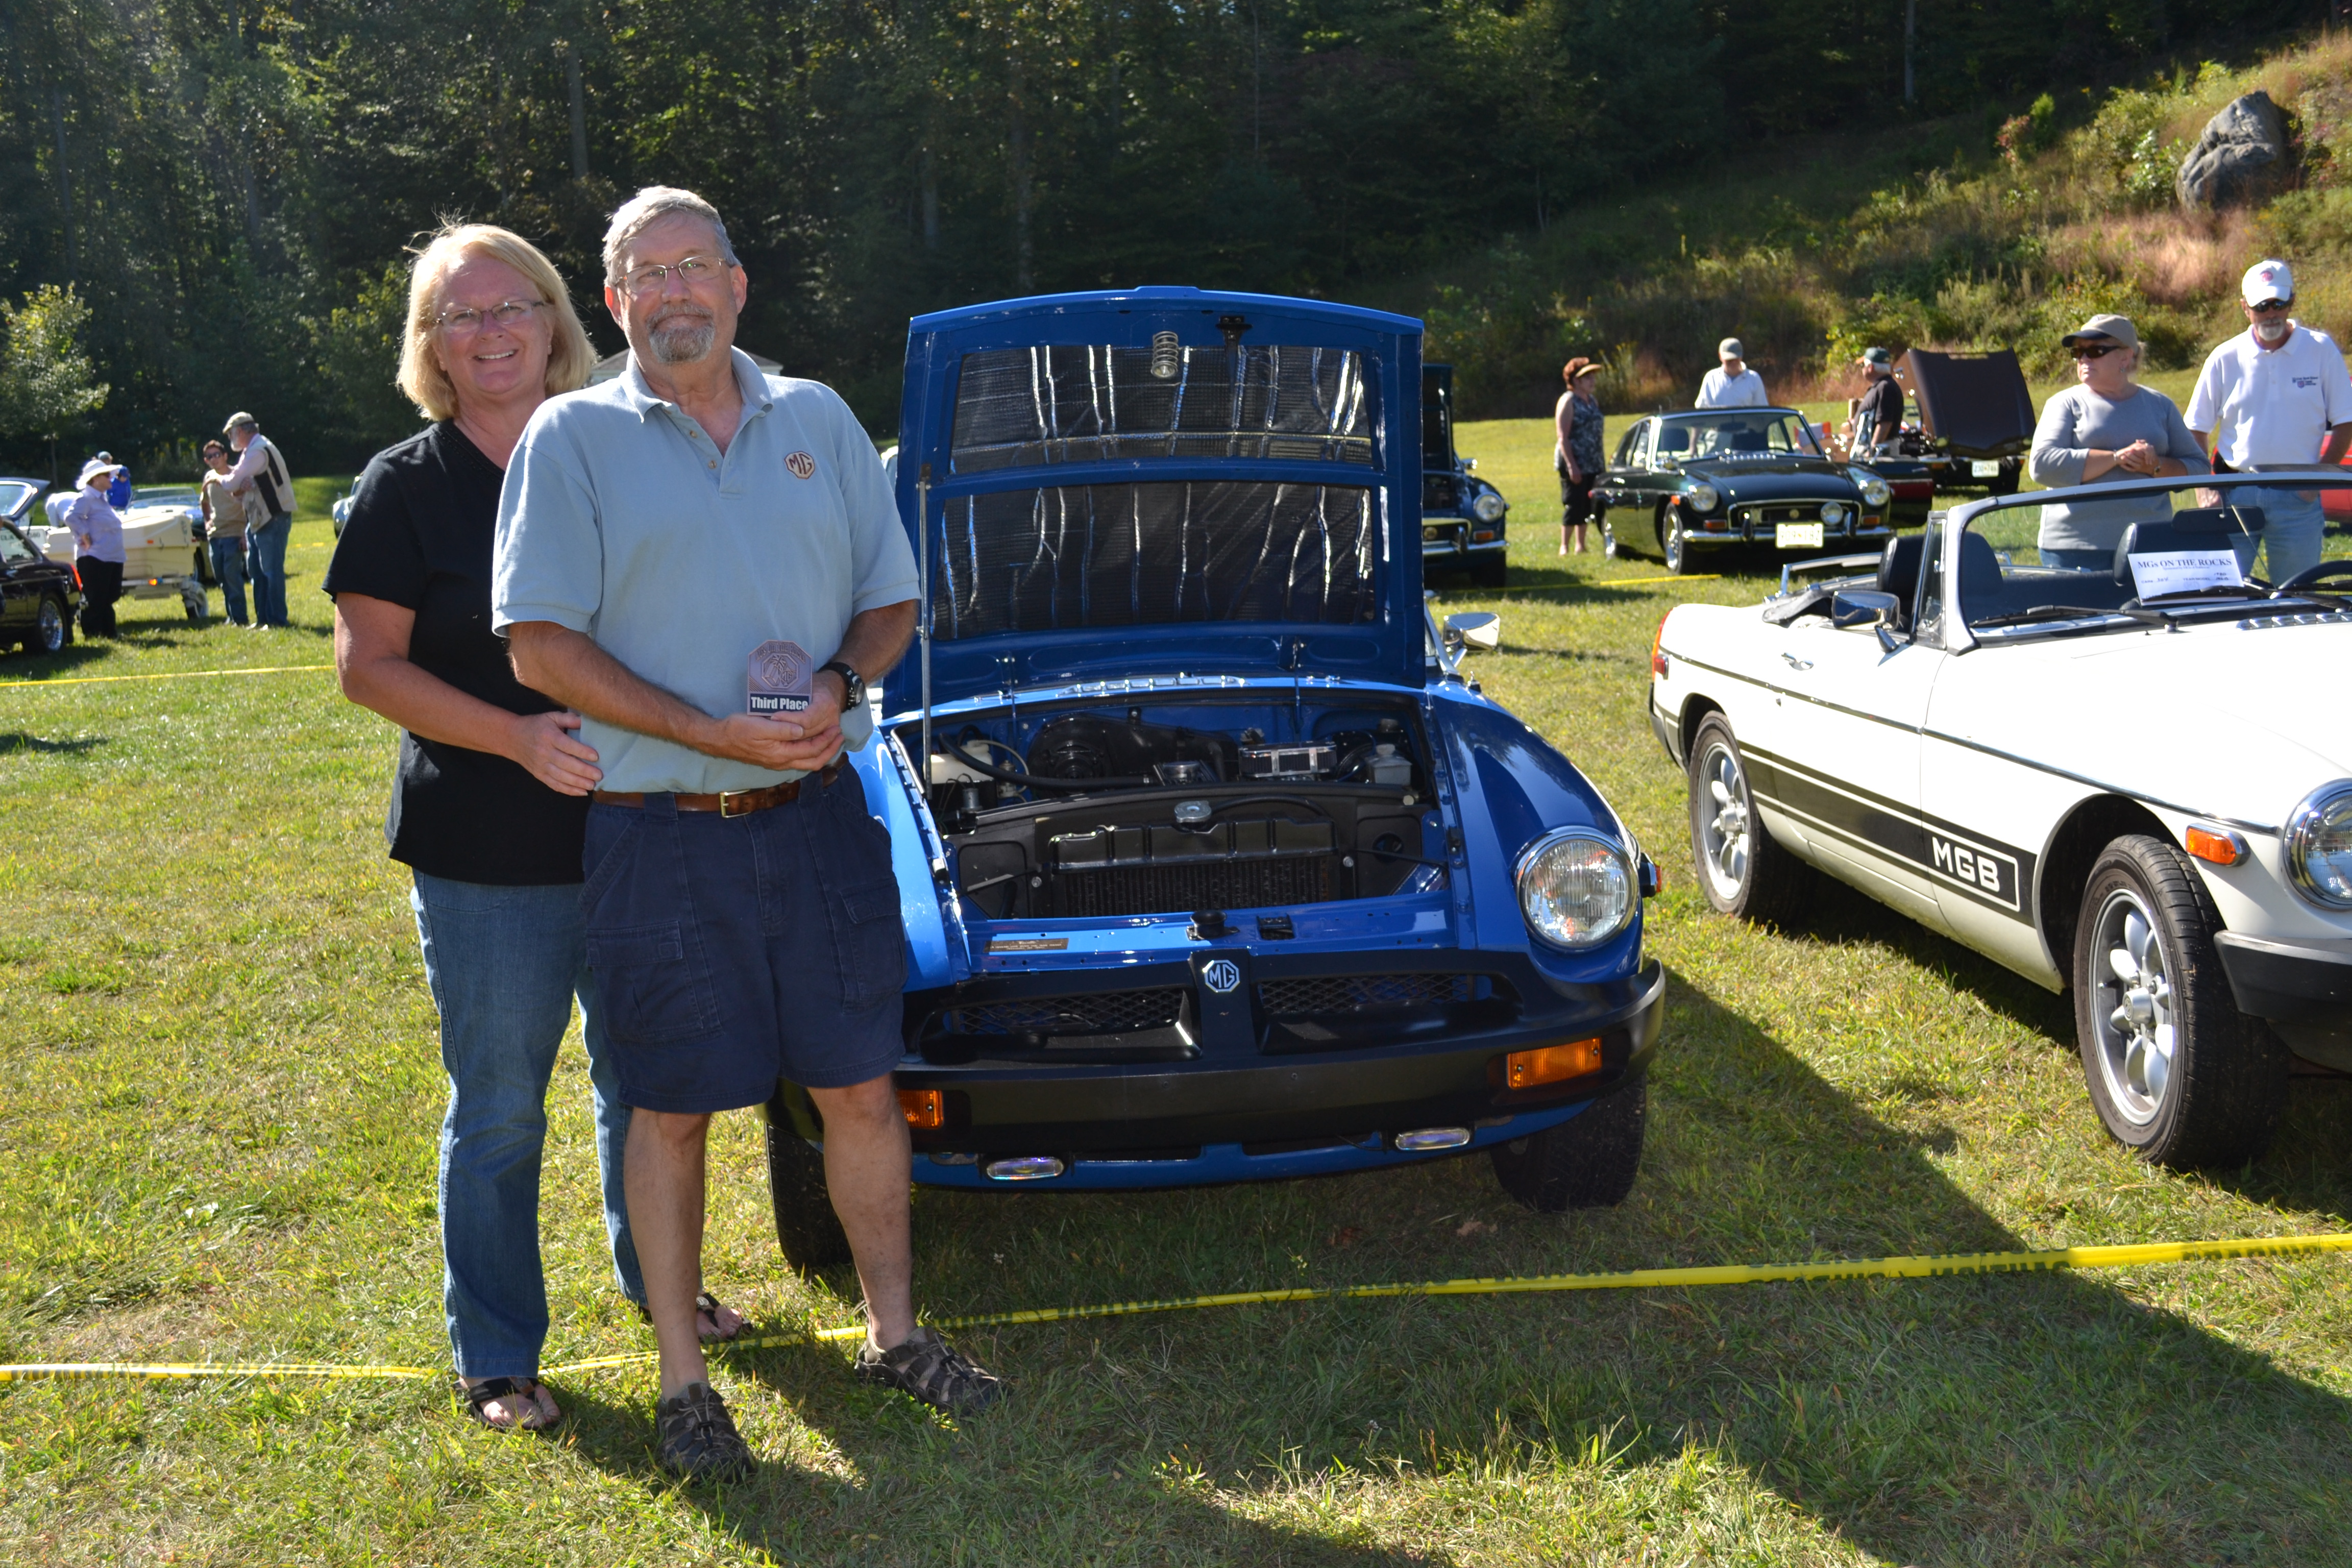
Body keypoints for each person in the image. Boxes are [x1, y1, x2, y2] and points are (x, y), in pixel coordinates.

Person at [496, 185, 997, 1482]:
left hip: (820, 818)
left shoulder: (818, 419)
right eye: (646, 274)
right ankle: (684, 1383)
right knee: (668, 1107)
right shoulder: (570, 437)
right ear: (616, 303)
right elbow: (539, 645)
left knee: (860, 1084)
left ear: (736, 284)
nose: (674, 293)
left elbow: (891, 602)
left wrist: (838, 680)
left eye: (694, 266)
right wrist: (708, 733)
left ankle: (894, 1335)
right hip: (659, 830)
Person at [323, 222, 742, 1437]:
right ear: (432, 346)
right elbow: (365, 666)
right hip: (486, 855)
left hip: (637, 830)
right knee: (502, 1106)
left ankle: (660, 1284)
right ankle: (498, 1351)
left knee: (646, 1085)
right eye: (461, 315)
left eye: (513, 305)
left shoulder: (615, 447)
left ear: (558, 320)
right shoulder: (407, 484)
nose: (492, 331)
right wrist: (514, 738)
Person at [2185, 258, 2352, 585]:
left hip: (2298, 497)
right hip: (2234, 494)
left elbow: (2346, 422)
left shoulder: (2321, 350)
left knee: (2297, 597)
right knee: (2223, 595)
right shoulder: (2224, 357)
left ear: (2292, 301)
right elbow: (2195, 429)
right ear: (2245, 308)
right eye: (2261, 306)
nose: (2271, 313)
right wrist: (2205, 488)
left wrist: (2316, 482)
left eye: (2278, 303)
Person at [2028, 313, 2208, 572]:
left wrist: (2154, 467)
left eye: (2096, 351)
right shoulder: (2064, 403)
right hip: (2075, 548)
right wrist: (2116, 458)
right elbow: (2042, 466)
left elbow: (2199, 468)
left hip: (2149, 542)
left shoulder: (2160, 405)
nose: (2084, 359)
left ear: (2126, 357)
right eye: (2078, 352)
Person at [221, 411, 296, 627]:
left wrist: (217, 477)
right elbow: (239, 487)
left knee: (271, 572)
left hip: (273, 518)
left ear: (241, 431)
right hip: (259, 519)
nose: (231, 439)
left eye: (231, 434)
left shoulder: (257, 451)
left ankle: (277, 620)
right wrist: (239, 485)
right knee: (256, 571)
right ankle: (264, 619)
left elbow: (231, 483)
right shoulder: (252, 450)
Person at [63, 456, 126, 637]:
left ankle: (107, 631)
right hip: (95, 557)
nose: (111, 478)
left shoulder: (101, 499)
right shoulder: (86, 498)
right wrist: (84, 534)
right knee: (96, 597)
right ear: (95, 479)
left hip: (111, 556)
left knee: (110, 595)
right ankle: (94, 632)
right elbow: (71, 517)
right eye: (107, 475)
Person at [200, 440, 256, 627]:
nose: (214, 459)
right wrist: (207, 521)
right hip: (215, 535)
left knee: (232, 576)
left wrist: (244, 534)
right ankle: (231, 616)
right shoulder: (209, 477)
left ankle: (240, 618)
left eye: (217, 455)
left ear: (225, 456)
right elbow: (204, 502)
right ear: (206, 460)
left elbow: (248, 505)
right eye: (209, 457)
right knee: (221, 577)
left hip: (234, 533)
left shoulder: (236, 476)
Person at [1554, 358, 1605, 554]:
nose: (1593, 381)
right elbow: (1563, 437)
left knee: (1587, 505)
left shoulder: (1592, 401)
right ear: (1576, 380)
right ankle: (1564, 546)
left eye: (1593, 377)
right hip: (1575, 461)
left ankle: (1581, 545)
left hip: (1593, 461)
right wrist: (1572, 466)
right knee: (1574, 503)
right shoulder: (1568, 401)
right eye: (1587, 378)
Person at [1849, 347, 1906, 454]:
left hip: (1881, 451)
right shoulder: (1882, 386)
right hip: (1876, 448)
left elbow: (1885, 423)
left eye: (1863, 365)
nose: (1862, 369)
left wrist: (1872, 451)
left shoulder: (1885, 387)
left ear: (1871, 367)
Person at [1695, 337, 1767, 408]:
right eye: (1729, 359)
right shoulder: (1711, 378)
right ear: (1720, 356)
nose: (1733, 362)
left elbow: (1761, 410)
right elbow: (1701, 409)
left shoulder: (1754, 378)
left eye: (1736, 358)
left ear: (1741, 356)